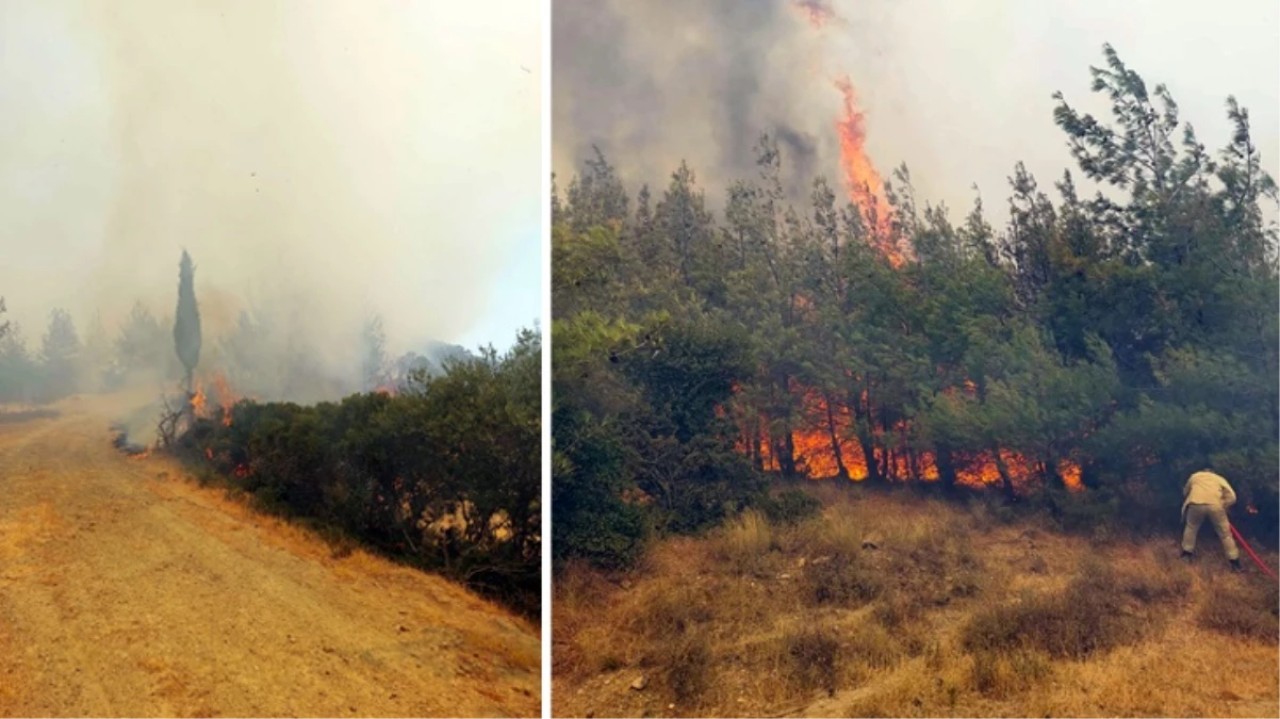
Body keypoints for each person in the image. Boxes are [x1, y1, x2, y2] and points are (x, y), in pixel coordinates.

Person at [1181, 468, 1242, 571]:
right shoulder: (1219, 478)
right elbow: (1232, 496)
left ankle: (1186, 555)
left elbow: (1185, 491)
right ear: (1212, 472)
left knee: (1191, 528)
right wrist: (1223, 504)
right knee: (1225, 535)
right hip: (1215, 505)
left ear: (1204, 471)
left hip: (1196, 503)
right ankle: (1235, 563)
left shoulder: (1195, 476)